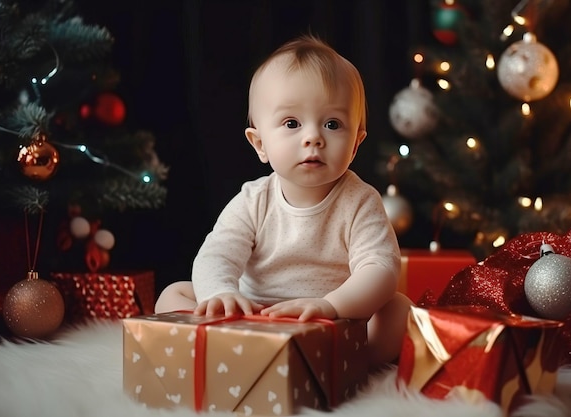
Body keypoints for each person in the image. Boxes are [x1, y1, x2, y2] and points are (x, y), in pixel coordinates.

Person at [155, 34, 412, 369]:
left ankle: (346, 364)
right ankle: (235, 351)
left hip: (328, 322)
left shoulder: (360, 201)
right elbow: (218, 253)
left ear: (355, 144)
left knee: (399, 309)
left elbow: (380, 270)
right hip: (253, 315)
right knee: (172, 295)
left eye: (332, 124)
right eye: (292, 123)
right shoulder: (253, 200)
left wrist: (331, 306)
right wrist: (220, 294)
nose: (313, 137)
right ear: (259, 143)